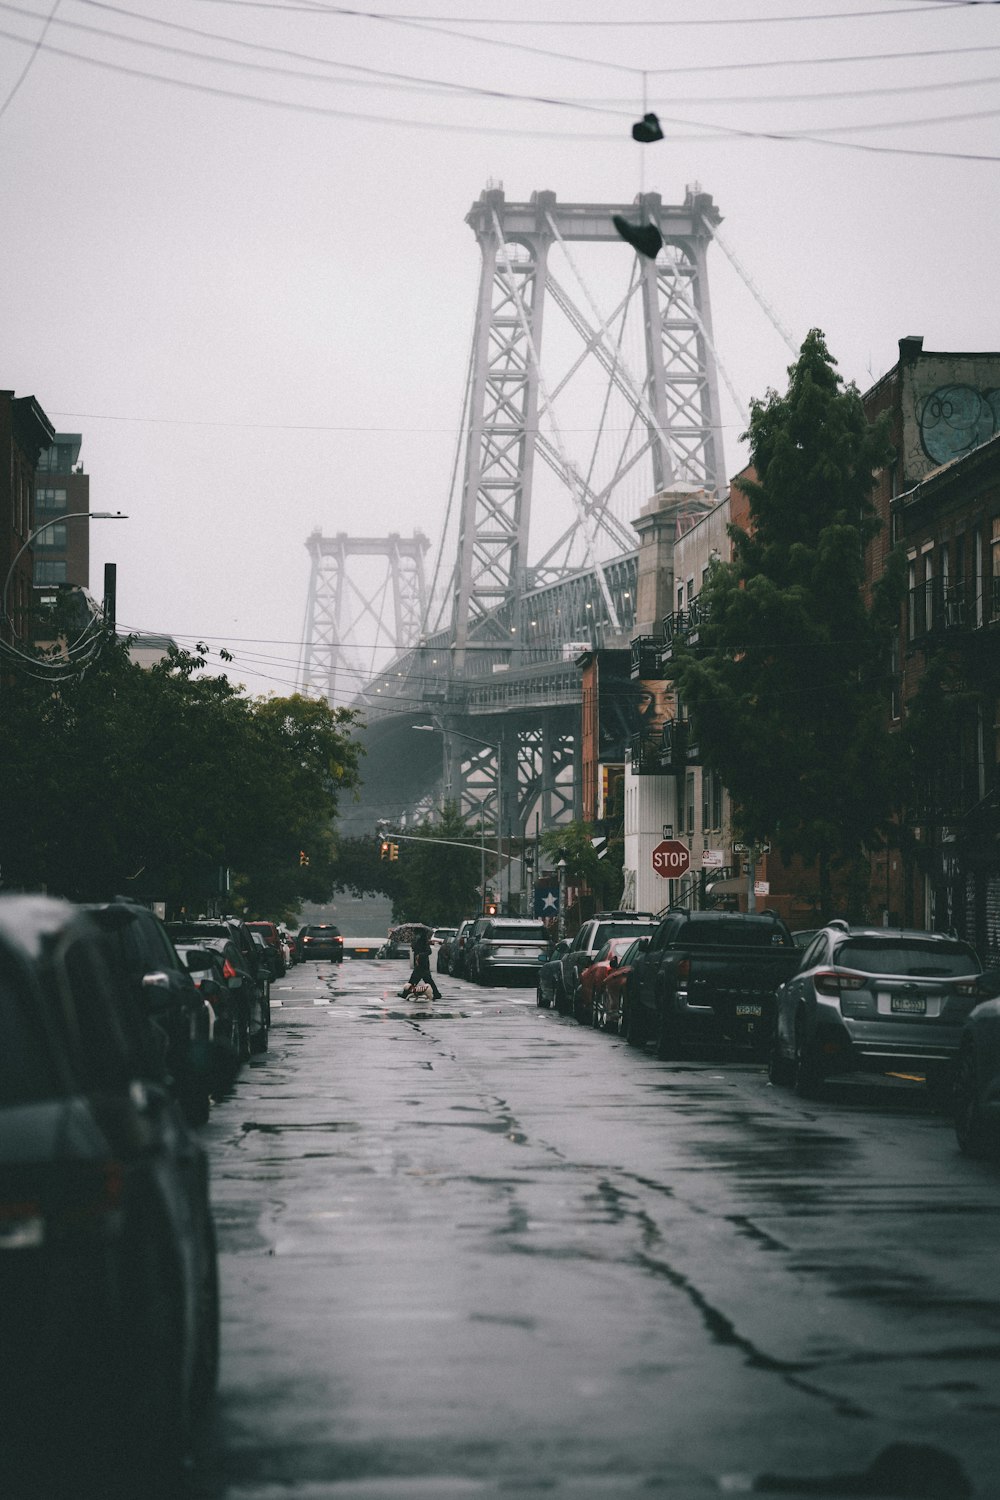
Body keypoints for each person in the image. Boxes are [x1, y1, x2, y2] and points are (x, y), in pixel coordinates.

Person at [406, 925, 442, 1000]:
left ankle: (405, 993)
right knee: (427, 980)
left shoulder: (423, 940)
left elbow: (429, 951)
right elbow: (416, 949)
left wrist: (420, 955)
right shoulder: (417, 940)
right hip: (419, 963)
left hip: (423, 964)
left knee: (413, 980)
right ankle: (436, 993)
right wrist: (413, 947)